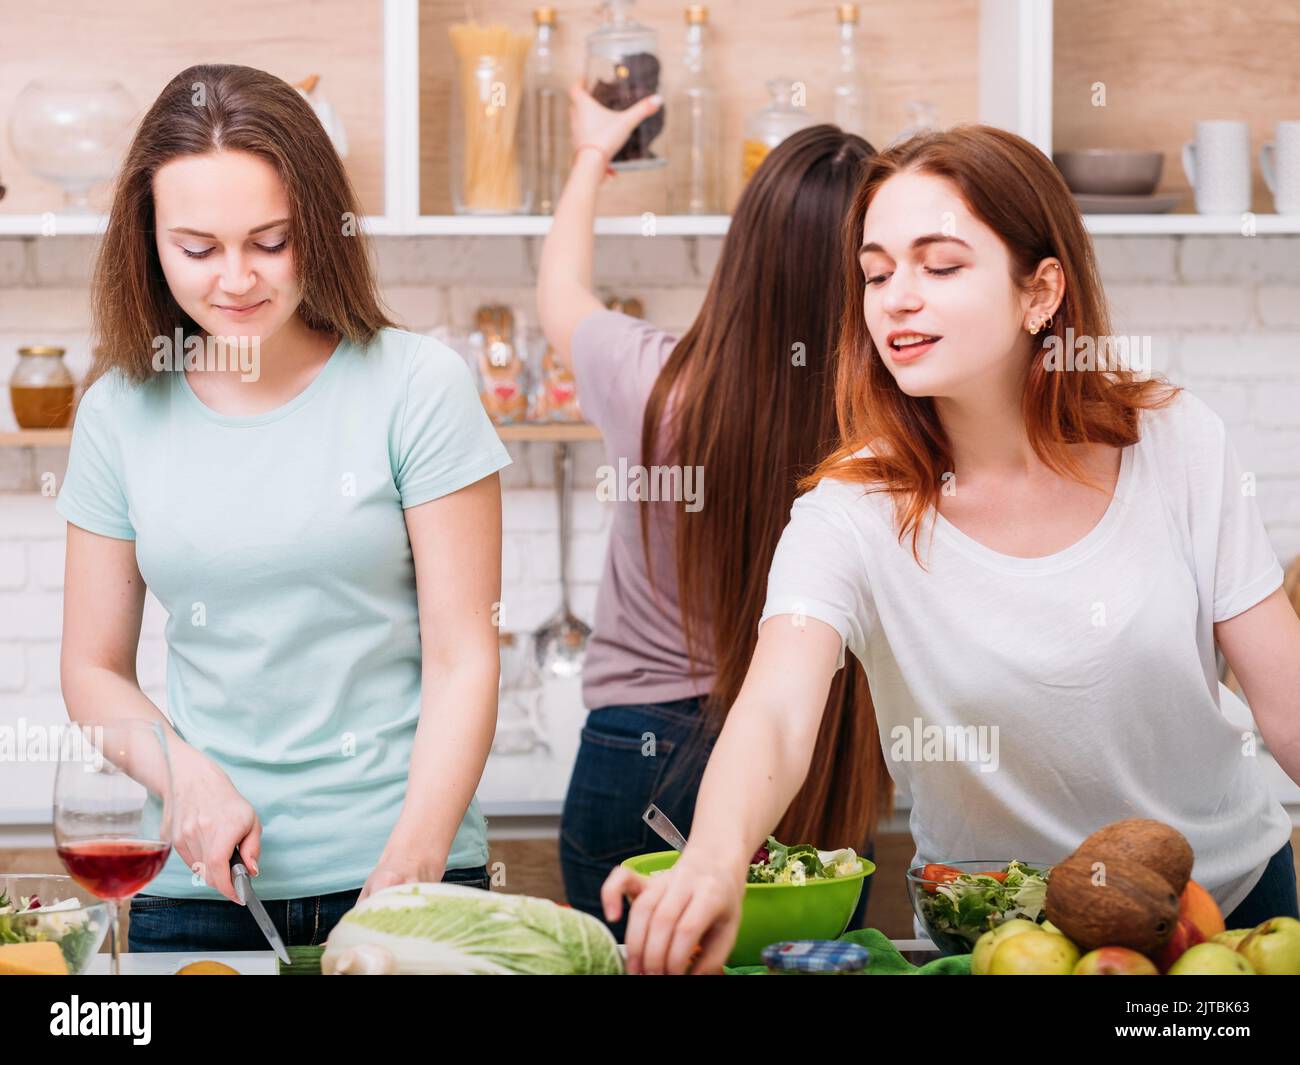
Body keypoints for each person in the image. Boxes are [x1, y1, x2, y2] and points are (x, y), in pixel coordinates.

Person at [603, 124, 1300, 974]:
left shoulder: (1175, 442)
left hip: (1225, 919)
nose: (897, 296)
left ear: (1040, 290)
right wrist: (713, 859)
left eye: (940, 265)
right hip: (1000, 943)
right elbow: (777, 712)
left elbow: (1287, 703)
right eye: (876, 272)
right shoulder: (850, 510)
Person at [57, 64, 511, 952]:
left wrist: (409, 866)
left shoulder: (417, 386)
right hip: (200, 886)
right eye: (198, 248)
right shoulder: (118, 408)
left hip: (406, 876)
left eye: (272, 241)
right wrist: (183, 777)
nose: (236, 279)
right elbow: (91, 671)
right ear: (147, 241)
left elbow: (466, 655)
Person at [538, 83, 889, 940]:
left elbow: (558, 287)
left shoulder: (653, 382)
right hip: (812, 748)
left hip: (638, 756)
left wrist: (593, 154)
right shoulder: (888, 427)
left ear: (746, 253)